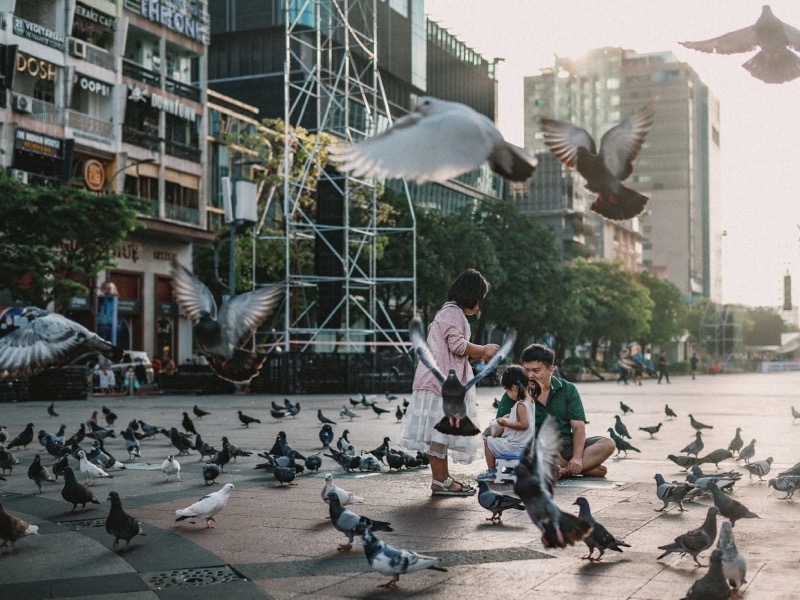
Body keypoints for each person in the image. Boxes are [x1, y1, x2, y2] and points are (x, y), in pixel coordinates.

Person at [401, 268, 499, 497]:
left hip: (439, 383)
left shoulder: (448, 313)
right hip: (439, 385)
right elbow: (458, 346)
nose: (480, 304)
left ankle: (442, 478)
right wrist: (483, 349)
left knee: (441, 435)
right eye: (480, 298)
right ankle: (440, 480)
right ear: (472, 296)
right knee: (439, 435)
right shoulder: (454, 314)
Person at [521, 343, 614, 479]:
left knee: (608, 443)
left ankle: (564, 471)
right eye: (526, 370)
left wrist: (576, 458)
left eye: (536, 371)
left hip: (566, 444)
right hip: (537, 445)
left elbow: (578, 428)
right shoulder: (516, 390)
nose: (530, 375)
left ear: (550, 369)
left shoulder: (567, 389)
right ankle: (583, 469)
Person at [477, 366, 537, 481]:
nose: (507, 394)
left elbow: (524, 424)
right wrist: (508, 416)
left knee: (488, 440)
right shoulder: (530, 401)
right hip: (526, 446)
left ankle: (491, 471)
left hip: (516, 447)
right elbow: (524, 418)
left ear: (514, 388)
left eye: (507, 391)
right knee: (492, 439)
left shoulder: (520, 405)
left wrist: (506, 423)